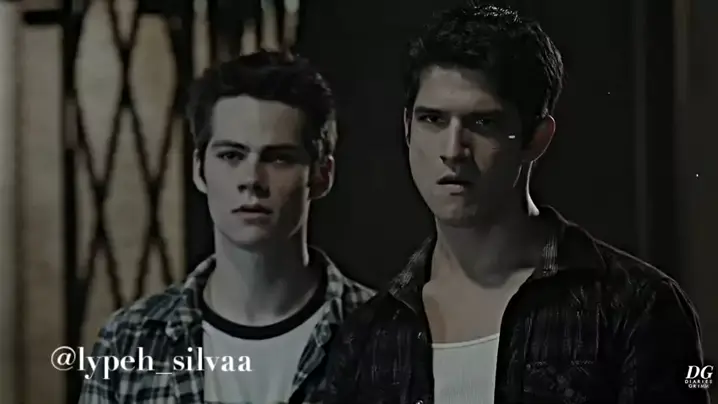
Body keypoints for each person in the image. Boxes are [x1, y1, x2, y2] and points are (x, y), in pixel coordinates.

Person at [322, 3, 709, 404]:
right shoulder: (367, 336)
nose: (452, 150)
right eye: (433, 119)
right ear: (407, 127)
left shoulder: (635, 308)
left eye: (483, 122)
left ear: (536, 138)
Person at [78, 51, 374, 404]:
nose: (252, 180)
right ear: (199, 169)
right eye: (231, 155)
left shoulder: (386, 336)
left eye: (279, 158)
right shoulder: (129, 341)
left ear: (322, 175)